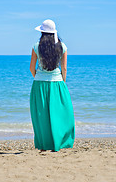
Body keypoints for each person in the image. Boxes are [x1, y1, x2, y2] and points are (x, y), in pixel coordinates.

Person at [29, 19, 75, 152]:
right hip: (57, 83)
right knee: (60, 114)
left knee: (41, 116)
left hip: (39, 84)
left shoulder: (36, 46)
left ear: (42, 32)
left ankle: (44, 145)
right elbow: (64, 68)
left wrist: (39, 77)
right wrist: (62, 83)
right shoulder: (62, 46)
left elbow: (32, 68)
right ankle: (59, 143)